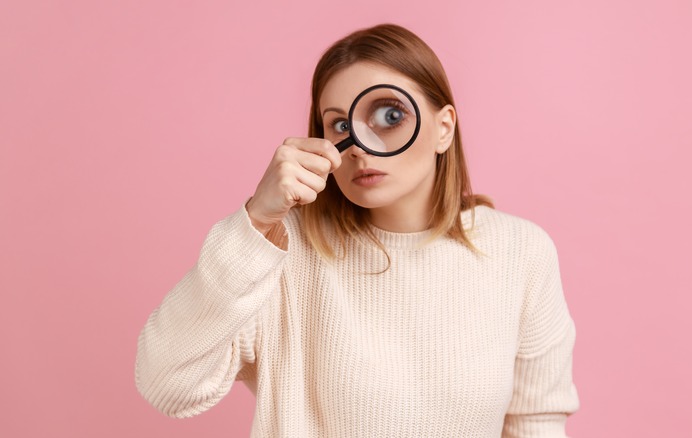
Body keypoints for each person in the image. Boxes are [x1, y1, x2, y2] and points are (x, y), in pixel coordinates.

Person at [135, 23, 580, 437]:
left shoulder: (520, 252)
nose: (361, 149)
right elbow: (168, 385)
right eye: (342, 126)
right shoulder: (281, 249)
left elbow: (535, 423)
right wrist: (255, 221)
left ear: (443, 129)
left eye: (389, 116)